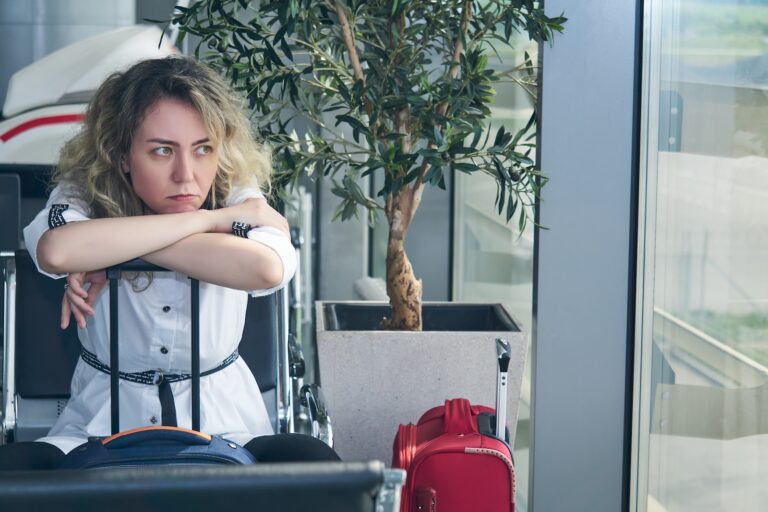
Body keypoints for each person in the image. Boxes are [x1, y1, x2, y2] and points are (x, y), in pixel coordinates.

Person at [0, 56, 338, 470]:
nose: (187, 176)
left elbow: (265, 267)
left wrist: (110, 246)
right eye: (162, 151)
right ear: (122, 154)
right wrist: (207, 223)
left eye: (203, 150)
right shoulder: (82, 193)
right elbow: (58, 250)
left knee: (317, 463)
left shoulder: (238, 194)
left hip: (230, 430)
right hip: (96, 428)